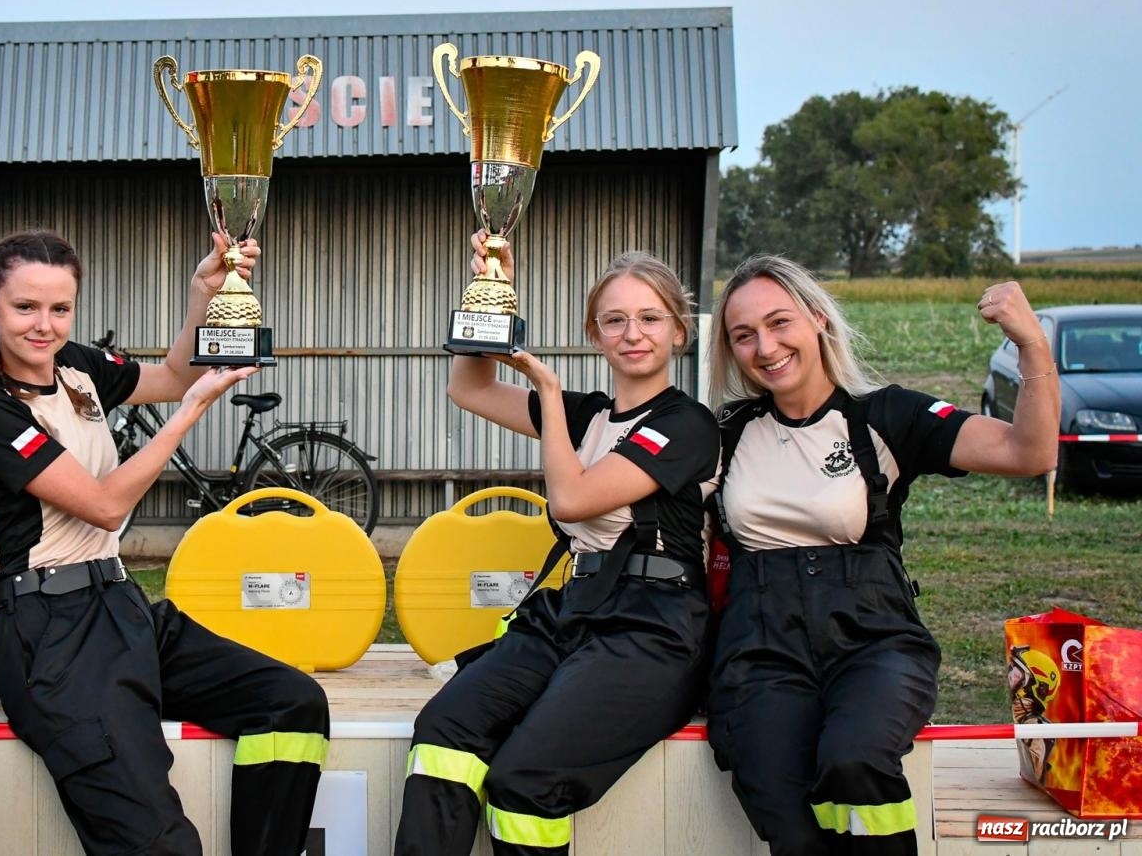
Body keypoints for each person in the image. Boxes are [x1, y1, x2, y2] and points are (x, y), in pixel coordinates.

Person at [0, 229, 329, 856]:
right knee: (161, 846)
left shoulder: (76, 367)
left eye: (60, 308)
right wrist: (189, 414)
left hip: (119, 606)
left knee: (292, 704)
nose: (44, 326)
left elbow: (167, 376)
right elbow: (106, 506)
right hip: (49, 632)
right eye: (25, 307)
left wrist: (201, 297)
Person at [705, 255, 1058, 855]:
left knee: (855, 759)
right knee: (775, 795)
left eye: (779, 323)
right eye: (744, 335)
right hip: (759, 645)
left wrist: (1031, 346)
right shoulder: (726, 430)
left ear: (817, 319)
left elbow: (1029, 452)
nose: (765, 347)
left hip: (872, 638)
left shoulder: (888, 415)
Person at [395, 240, 720, 856]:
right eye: (615, 320)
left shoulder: (687, 425)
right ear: (595, 333)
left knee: (526, 781)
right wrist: (493, 298)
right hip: (573, 611)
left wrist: (547, 391)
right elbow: (470, 387)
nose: (633, 334)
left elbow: (572, 501)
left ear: (679, 331)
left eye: (650, 318)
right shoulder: (588, 415)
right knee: (442, 731)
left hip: (651, 628)